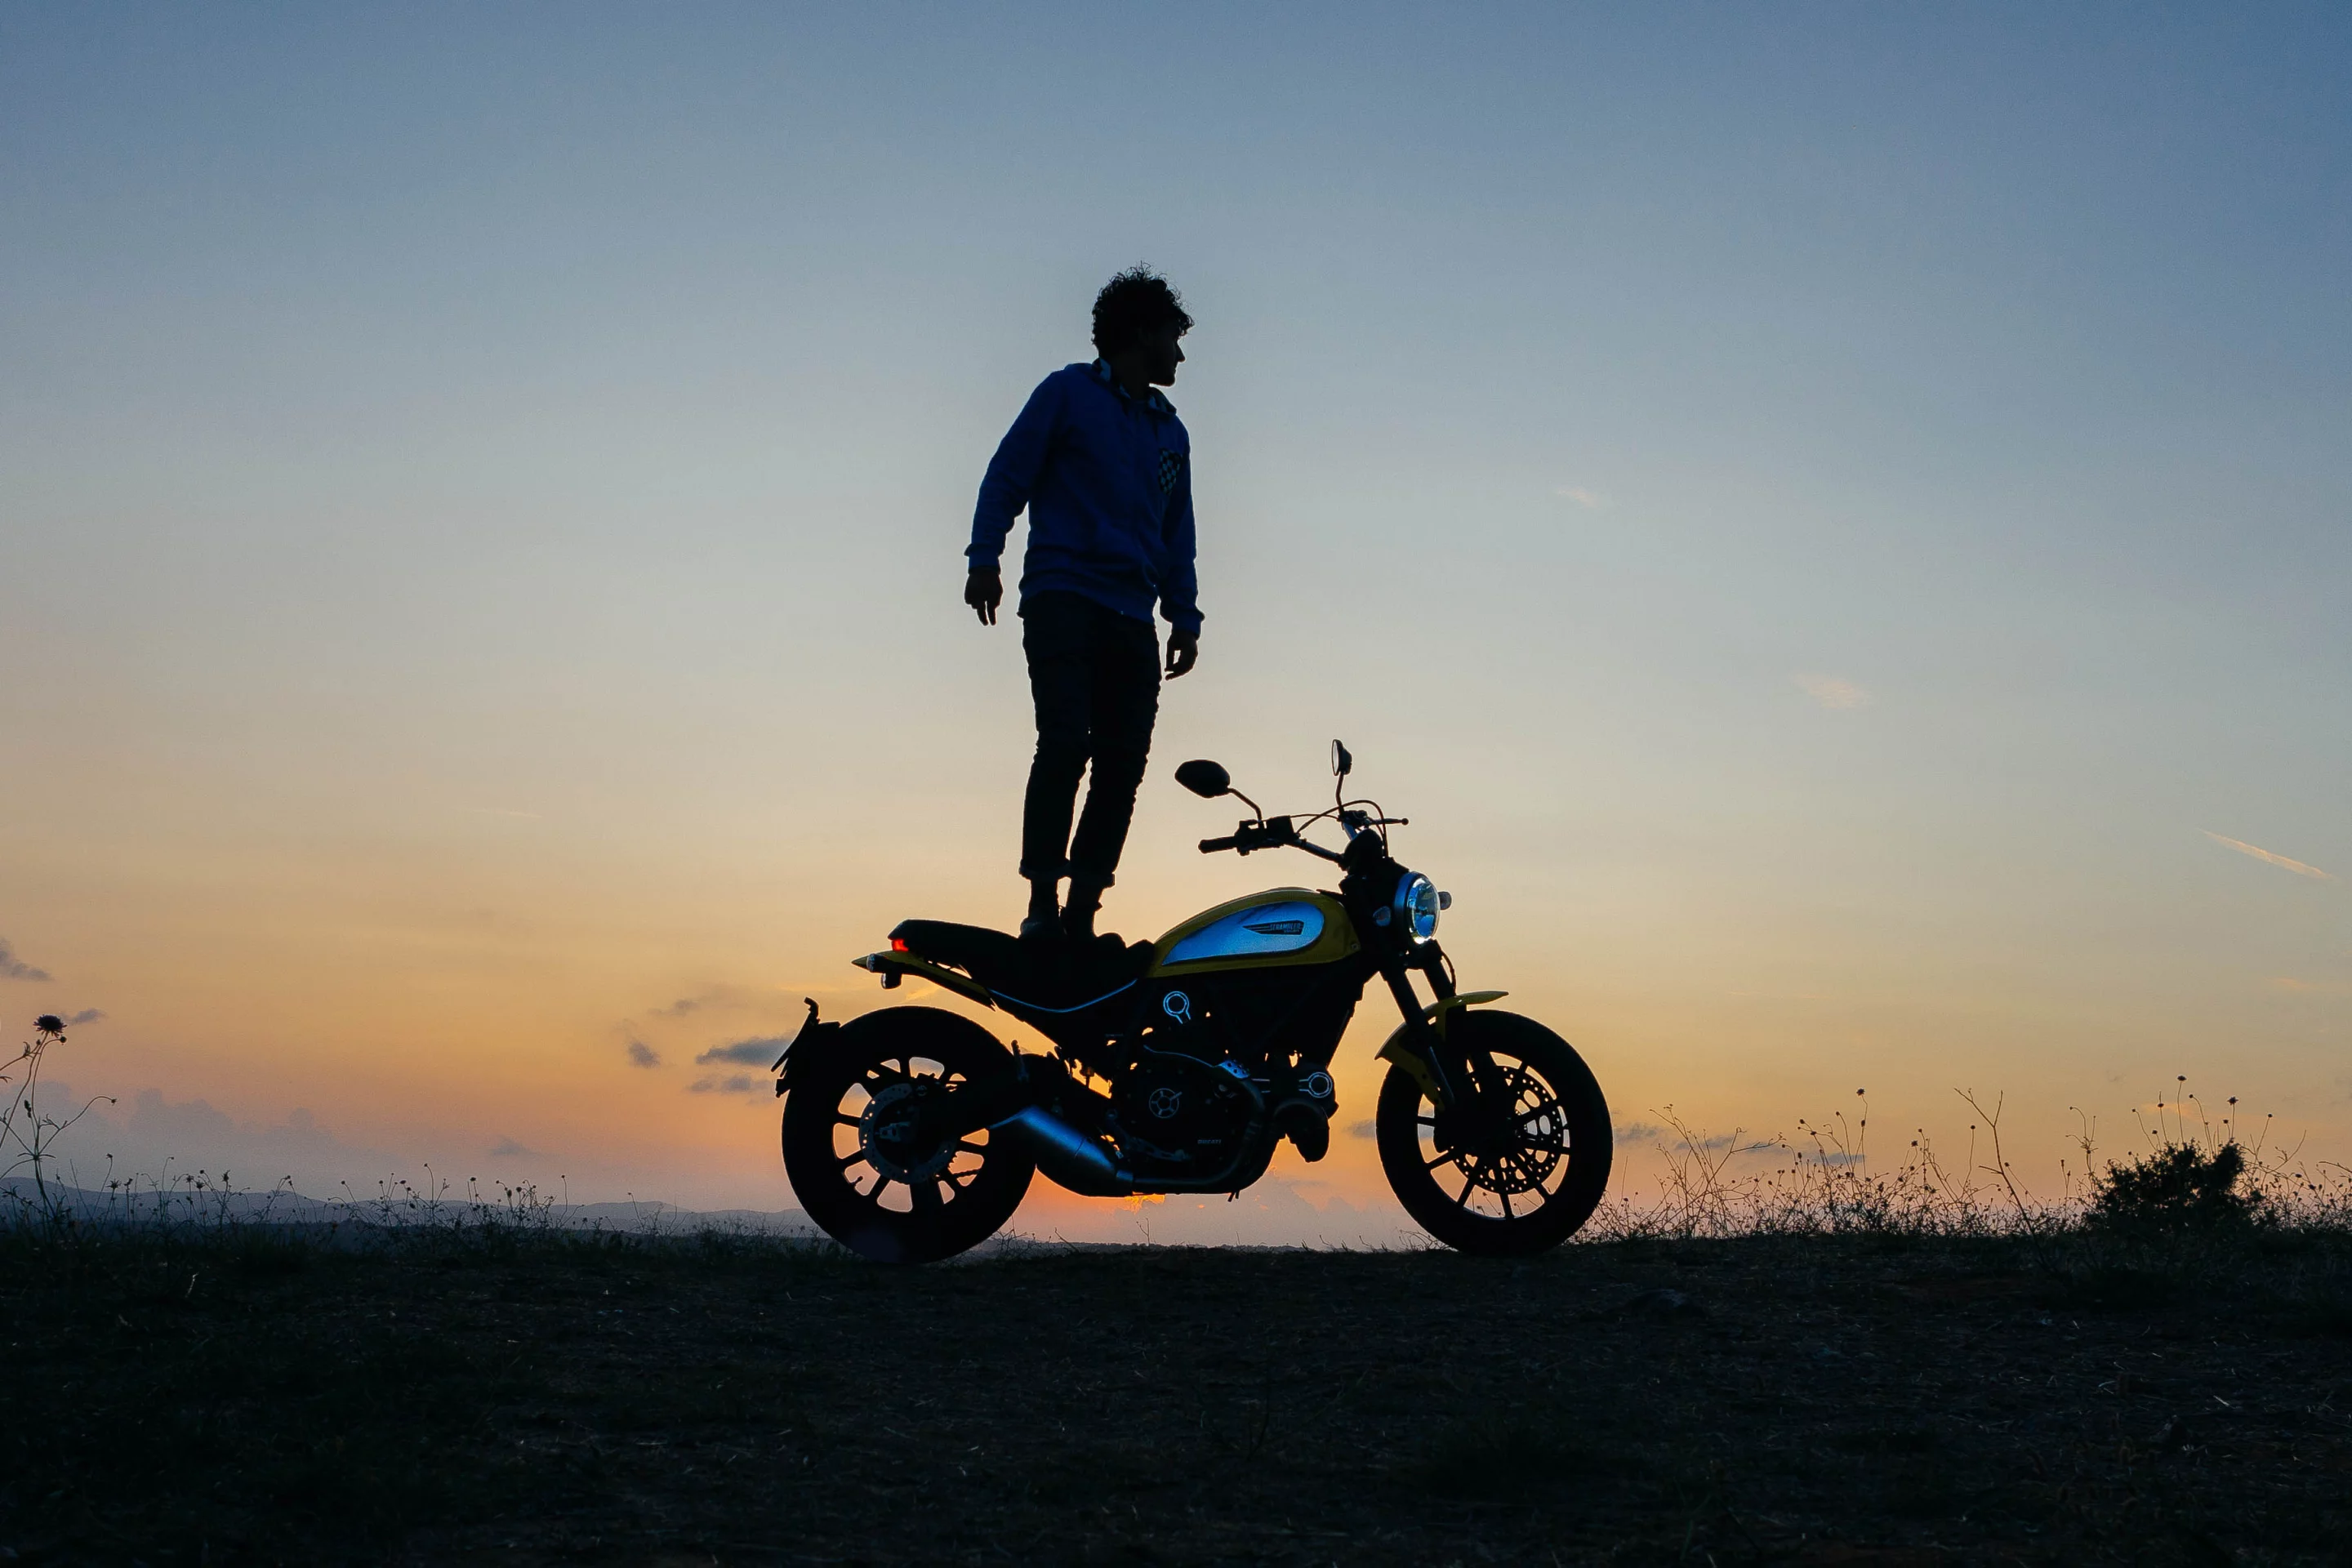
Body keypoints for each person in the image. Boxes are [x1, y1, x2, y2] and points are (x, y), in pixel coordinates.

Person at [964, 268, 1202, 945]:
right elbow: (1007, 475)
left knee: (1122, 766)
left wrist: (1184, 616)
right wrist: (984, 558)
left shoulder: (1172, 433)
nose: (1180, 355)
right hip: (1062, 598)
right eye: (1173, 338)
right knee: (1066, 742)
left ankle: (1082, 913)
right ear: (1141, 333)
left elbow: (1177, 532)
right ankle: (1042, 903)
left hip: (1133, 618)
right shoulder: (1066, 394)